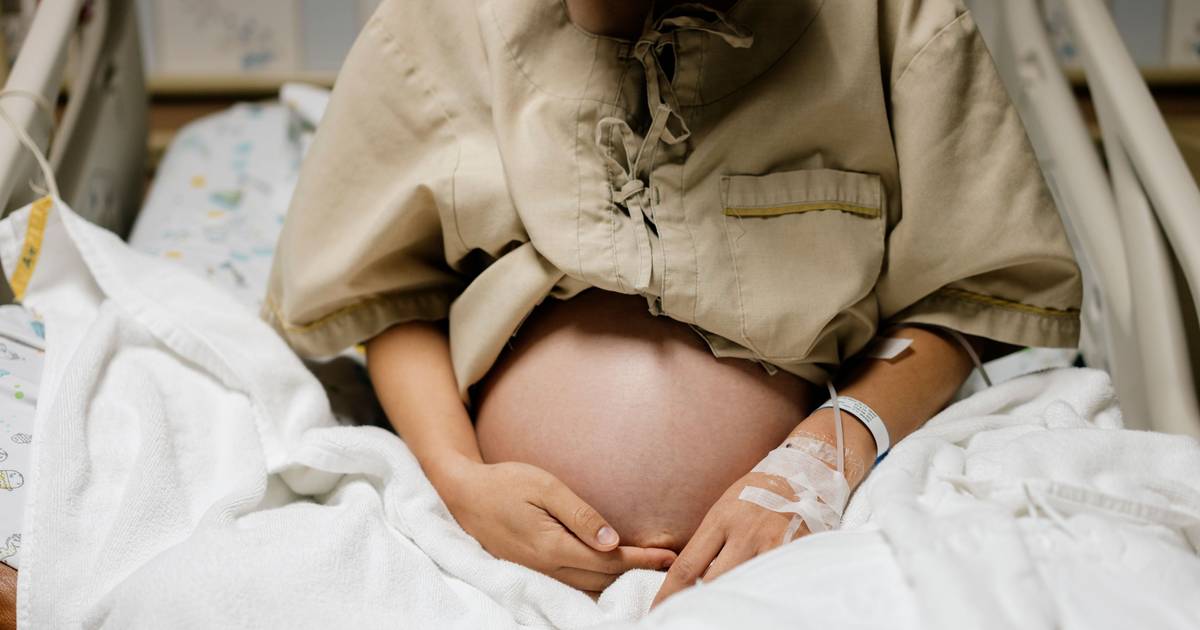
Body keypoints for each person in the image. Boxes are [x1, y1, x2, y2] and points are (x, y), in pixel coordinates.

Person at [265, 0, 1082, 604]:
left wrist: (823, 460)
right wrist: (455, 480)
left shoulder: (892, 22)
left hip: (799, 549)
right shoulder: (442, 24)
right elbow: (387, 293)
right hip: (489, 553)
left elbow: (971, 298)